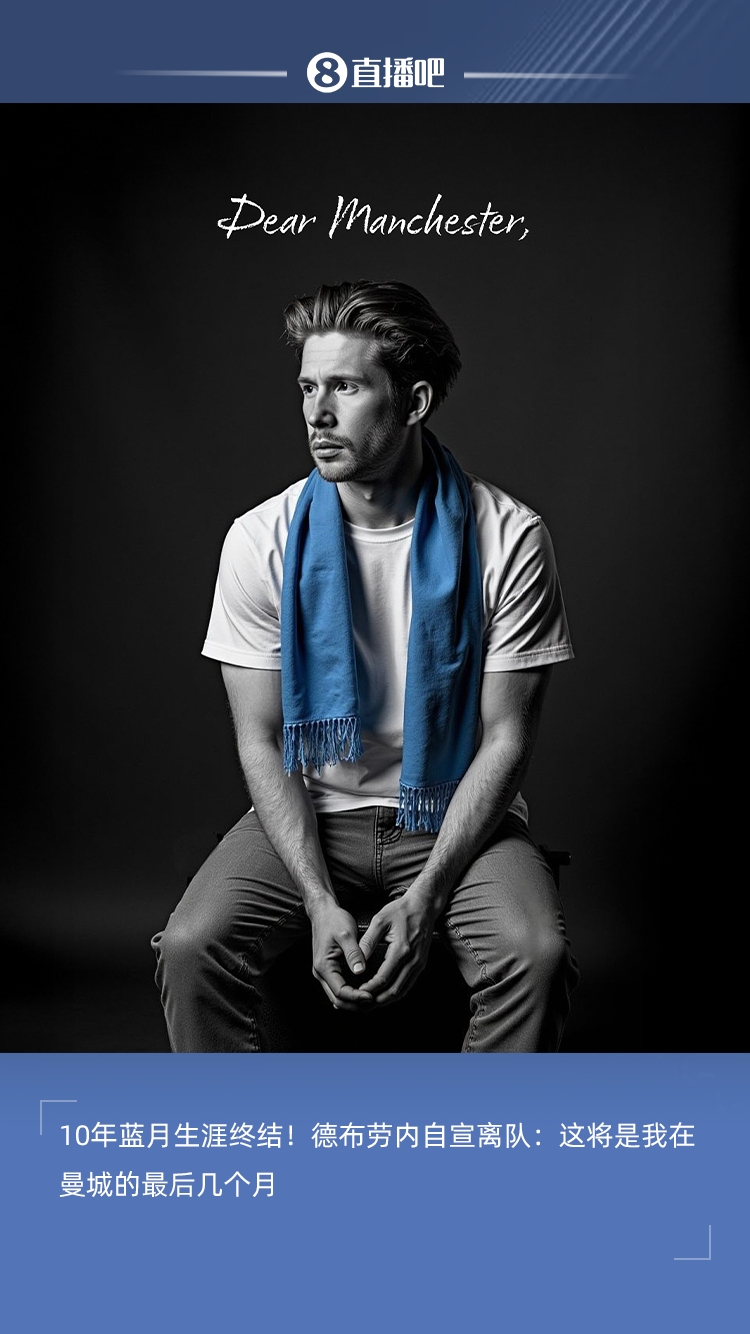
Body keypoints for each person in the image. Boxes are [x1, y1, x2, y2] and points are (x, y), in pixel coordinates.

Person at [151, 279, 578, 1053]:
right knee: (190, 946)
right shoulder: (261, 539)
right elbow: (260, 738)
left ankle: (496, 1132)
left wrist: (429, 895)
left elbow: (506, 739)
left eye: (345, 387)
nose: (317, 414)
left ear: (414, 402)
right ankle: (235, 1131)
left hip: (453, 815)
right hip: (314, 811)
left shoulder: (510, 537)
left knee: (535, 954)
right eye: (307, 388)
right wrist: (317, 899)